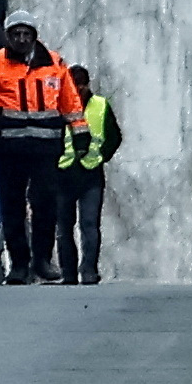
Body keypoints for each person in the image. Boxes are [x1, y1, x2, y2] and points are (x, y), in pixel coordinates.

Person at [0, 17, 79, 282]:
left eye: (26, 33)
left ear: (34, 35)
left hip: (46, 147)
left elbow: (70, 102)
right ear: (9, 36)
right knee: (12, 207)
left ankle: (42, 260)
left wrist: (81, 132)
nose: (21, 39)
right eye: (16, 34)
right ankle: (19, 264)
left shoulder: (55, 63)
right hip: (9, 148)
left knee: (45, 204)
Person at [55, 64, 120, 284]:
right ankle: (68, 273)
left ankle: (89, 270)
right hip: (63, 173)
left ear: (87, 85)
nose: (78, 91)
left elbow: (114, 137)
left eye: (80, 87)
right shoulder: (56, 107)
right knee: (64, 228)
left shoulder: (100, 106)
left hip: (90, 174)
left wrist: (101, 156)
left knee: (89, 225)